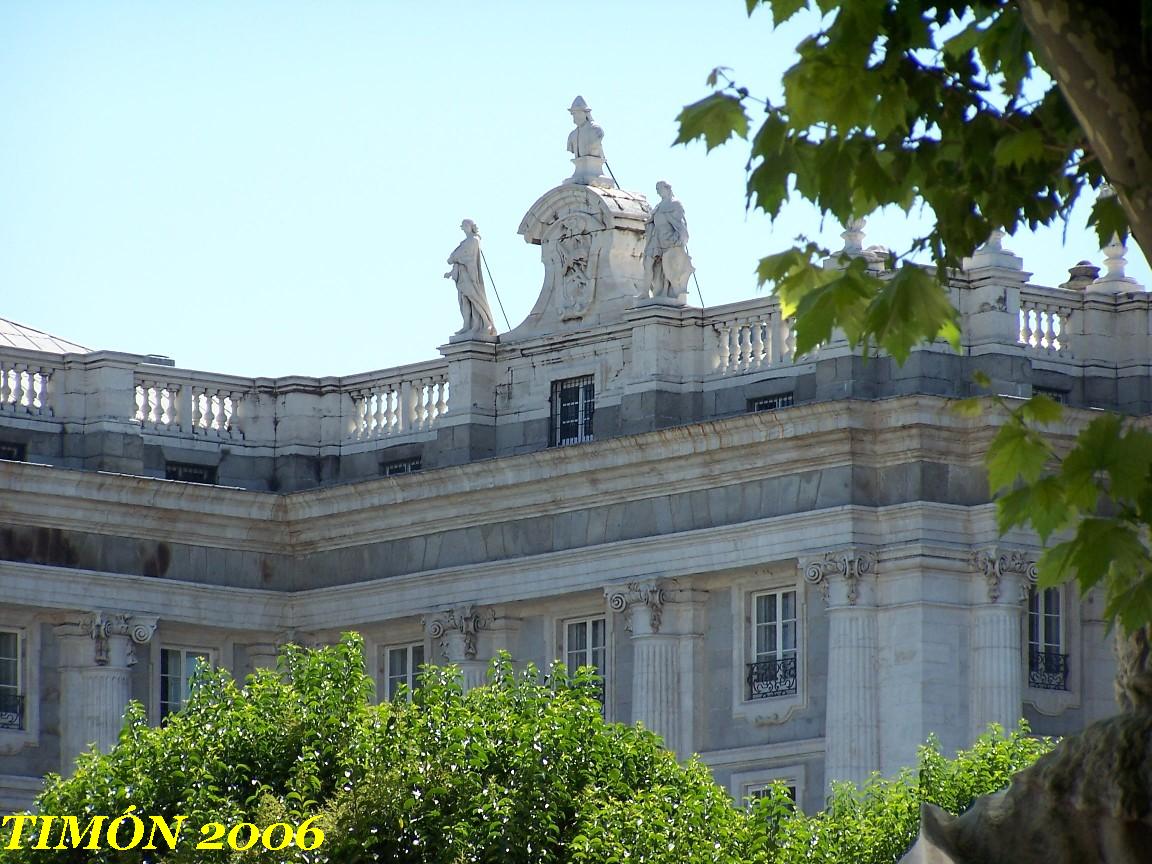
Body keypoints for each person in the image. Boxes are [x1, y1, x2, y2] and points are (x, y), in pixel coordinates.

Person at [444, 220, 497, 337]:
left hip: (470, 276)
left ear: (471, 227)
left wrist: (454, 258)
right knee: (464, 301)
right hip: (462, 275)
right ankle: (467, 325)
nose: (463, 228)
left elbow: (463, 256)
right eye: (463, 226)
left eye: (465, 225)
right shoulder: (466, 242)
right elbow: (456, 258)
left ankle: (483, 323)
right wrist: (451, 271)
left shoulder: (473, 240)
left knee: (474, 299)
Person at [643, 181, 694, 298]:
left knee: (665, 268)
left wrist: (679, 238)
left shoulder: (675, 204)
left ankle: (664, 292)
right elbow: (651, 221)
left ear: (667, 188)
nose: (657, 191)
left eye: (659, 188)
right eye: (656, 189)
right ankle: (645, 291)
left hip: (668, 240)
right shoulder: (659, 205)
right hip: (656, 239)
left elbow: (680, 224)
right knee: (648, 264)